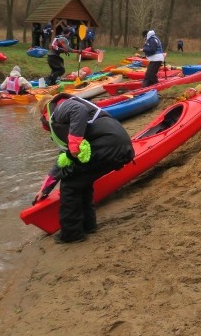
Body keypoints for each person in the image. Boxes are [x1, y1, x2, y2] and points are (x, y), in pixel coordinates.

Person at [32, 94, 135, 243]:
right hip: (119, 144)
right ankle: (88, 226)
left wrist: (74, 143)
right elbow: (63, 161)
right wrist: (45, 189)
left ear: (44, 112)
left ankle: (72, 234)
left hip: (108, 144)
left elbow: (77, 109)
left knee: (70, 184)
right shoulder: (65, 120)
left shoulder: (59, 108)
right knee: (82, 181)